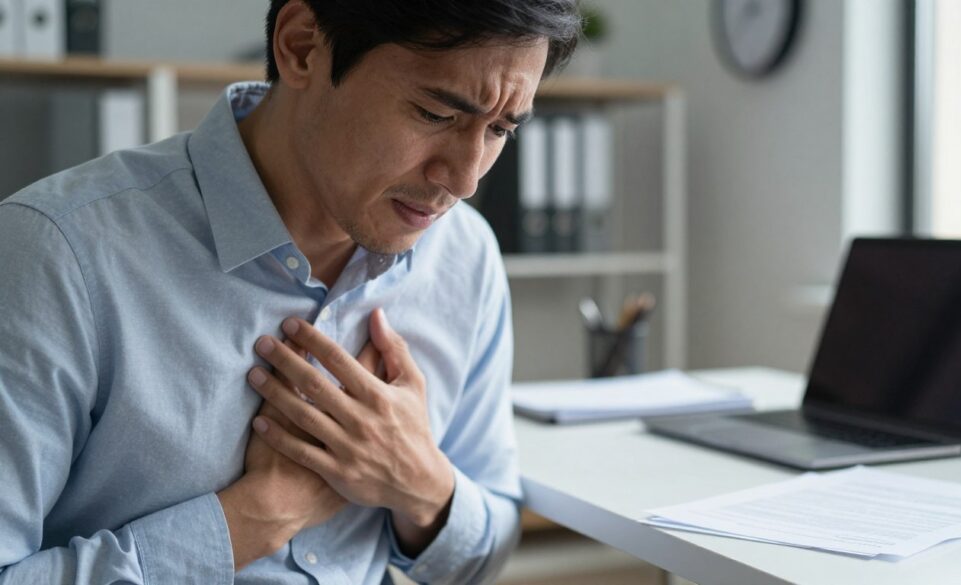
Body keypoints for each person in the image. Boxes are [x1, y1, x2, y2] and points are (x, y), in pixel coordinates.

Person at [0, 0, 581, 582]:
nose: (465, 179)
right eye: (434, 114)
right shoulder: (54, 254)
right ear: (302, 45)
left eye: (501, 129)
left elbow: (486, 553)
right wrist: (254, 520)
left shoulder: (465, 255)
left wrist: (422, 486)